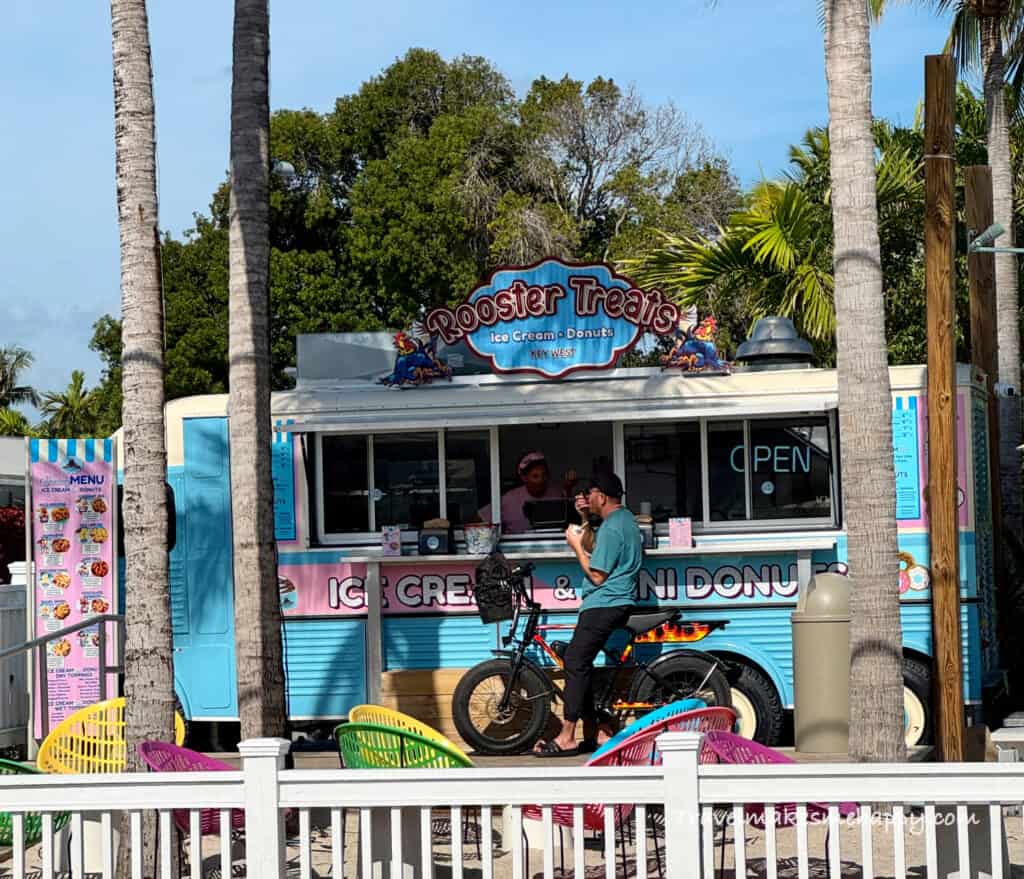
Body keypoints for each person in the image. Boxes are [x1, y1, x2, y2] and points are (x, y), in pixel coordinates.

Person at [534, 471, 642, 756]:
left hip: (604, 603)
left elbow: (596, 574)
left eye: (590, 494)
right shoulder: (625, 520)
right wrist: (583, 520)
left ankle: (568, 735)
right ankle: (600, 730)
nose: (586, 497)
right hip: (614, 602)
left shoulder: (612, 527)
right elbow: (598, 548)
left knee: (575, 661)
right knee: (581, 664)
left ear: (602, 496)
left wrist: (574, 547)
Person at [478, 451, 576, 534]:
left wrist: (569, 488)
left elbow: (574, 522)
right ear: (524, 478)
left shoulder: (557, 494)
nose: (541, 480)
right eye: (535, 476)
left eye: (544, 475)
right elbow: (479, 519)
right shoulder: (509, 499)